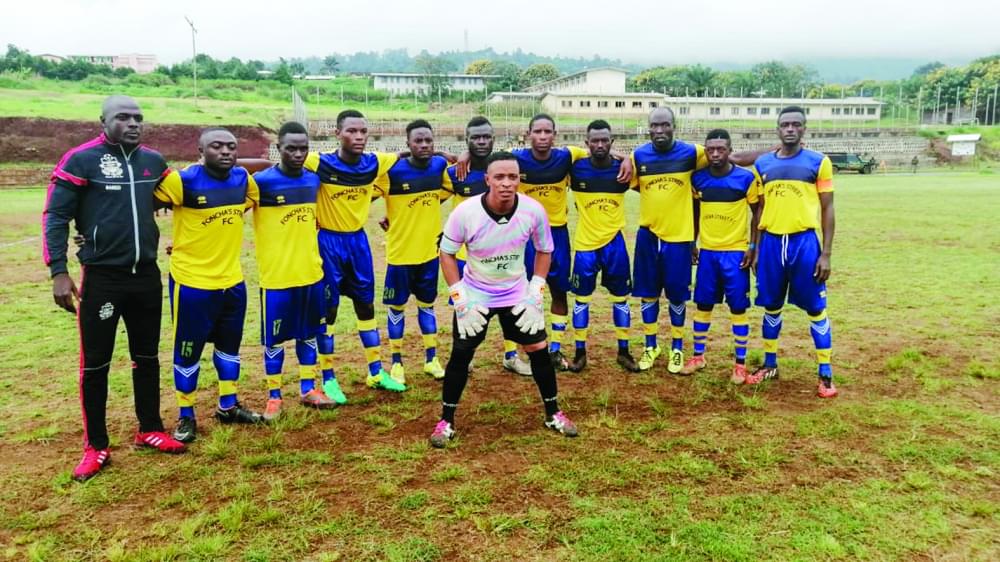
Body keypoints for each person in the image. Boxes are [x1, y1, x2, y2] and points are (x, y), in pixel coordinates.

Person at [42, 94, 186, 481]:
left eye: (139, 117)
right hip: (102, 277)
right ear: (102, 120)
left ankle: (150, 429)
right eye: (123, 117)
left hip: (145, 276)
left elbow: (185, 193)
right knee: (96, 364)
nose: (133, 123)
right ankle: (96, 446)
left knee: (147, 357)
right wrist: (58, 270)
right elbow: (55, 215)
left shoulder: (153, 162)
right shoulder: (81, 160)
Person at [430, 151, 578, 448]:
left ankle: (553, 412)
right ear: (487, 180)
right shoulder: (466, 212)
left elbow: (545, 250)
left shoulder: (533, 211)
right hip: (476, 295)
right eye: (499, 177)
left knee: (538, 348)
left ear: (519, 180)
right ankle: (446, 421)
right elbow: (446, 253)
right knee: (461, 354)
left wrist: (535, 291)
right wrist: (460, 299)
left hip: (516, 293)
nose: (506, 183)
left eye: (512, 177)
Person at [631, 107, 762, 375]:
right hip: (648, 235)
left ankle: (678, 349)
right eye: (654, 126)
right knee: (648, 293)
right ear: (648, 127)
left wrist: (775, 149)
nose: (659, 130)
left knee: (678, 295)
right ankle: (650, 345)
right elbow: (635, 183)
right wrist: (623, 158)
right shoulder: (638, 155)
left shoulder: (693, 153)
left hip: (680, 237)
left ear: (674, 126)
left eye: (665, 125)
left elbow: (731, 157)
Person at [156, 128, 264, 443]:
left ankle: (228, 406)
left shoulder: (243, 180)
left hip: (232, 281)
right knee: (187, 351)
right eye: (216, 146)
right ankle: (186, 415)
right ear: (200, 150)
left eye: (231, 147)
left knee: (229, 348)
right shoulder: (182, 181)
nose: (226, 152)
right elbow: (141, 207)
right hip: (192, 283)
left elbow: (243, 207)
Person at [510, 114, 632, 371]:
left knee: (559, 290)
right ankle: (521, 351)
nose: (543, 137)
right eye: (538, 131)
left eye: (548, 132)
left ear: (555, 134)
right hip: (525, 236)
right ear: (528, 133)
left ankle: (555, 349)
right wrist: (462, 156)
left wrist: (628, 158)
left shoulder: (567, 157)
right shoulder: (516, 158)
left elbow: (602, 149)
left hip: (558, 235)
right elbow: (486, 159)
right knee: (522, 294)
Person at [304, 110, 403, 394]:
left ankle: (375, 372)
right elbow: (287, 159)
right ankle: (329, 378)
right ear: (337, 133)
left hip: (358, 243)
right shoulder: (320, 162)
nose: (358, 136)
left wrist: (460, 158)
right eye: (351, 131)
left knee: (366, 305)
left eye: (362, 131)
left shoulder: (375, 163)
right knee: (329, 310)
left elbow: (409, 156)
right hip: (328, 243)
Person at [748, 106, 838, 398]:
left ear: (804, 129)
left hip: (804, 243)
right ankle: (770, 364)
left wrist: (825, 253)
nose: (790, 129)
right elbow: (760, 208)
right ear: (777, 129)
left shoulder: (818, 162)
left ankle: (825, 374)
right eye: (785, 124)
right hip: (772, 244)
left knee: (815, 308)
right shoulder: (762, 164)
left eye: (796, 124)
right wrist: (757, 247)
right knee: (771, 305)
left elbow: (827, 207)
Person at [251, 122, 336, 420]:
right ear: (279, 148)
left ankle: (308, 388)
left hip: (311, 273)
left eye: (303, 148)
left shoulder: (313, 181)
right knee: (274, 340)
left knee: (309, 334)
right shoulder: (261, 183)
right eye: (291, 148)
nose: (298, 153)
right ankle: (274, 396)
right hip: (276, 277)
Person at [446, 116, 533, 376]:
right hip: (467, 255)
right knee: (462, 308)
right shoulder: (454, 173)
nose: (481, 141)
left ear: (494, 139)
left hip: (504, 253)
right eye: (475, 137)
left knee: (510, 306)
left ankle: (511, 356)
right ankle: (465, 357)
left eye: (486, 136)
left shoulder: (506, 168)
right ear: (467, 140)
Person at [376, 120, 452, 385]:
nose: (423, 145)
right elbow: (367, 194)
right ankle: (396, 362)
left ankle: (431, 359)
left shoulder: (439, 167)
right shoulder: (393, 172)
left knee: (427, 306)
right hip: (400, 256)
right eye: (418, 141)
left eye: (428, 141)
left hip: (429, 254)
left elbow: (450, 189)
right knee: (396, 308)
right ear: (407, 144)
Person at [681, 129, 761, 383]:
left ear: (729, 150)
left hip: (735, 254)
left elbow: (757, 213)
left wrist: (752, 247)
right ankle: (698, 356)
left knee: (738, 307)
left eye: (721, 149)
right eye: (710, 149)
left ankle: (739, 364)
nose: (715, 154)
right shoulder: (698, 179)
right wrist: (693, 241)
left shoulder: (745, 179)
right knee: (703, 304)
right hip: (707, 253)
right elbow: (694, 212)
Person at [566, 120, 639, 373]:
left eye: (604, 140)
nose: (599, 144)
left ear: (612, 142)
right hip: (585, 245)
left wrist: (627, 158)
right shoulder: (575, 169)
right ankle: (580, 353)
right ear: (586, 143)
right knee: (581, 300)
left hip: (615, 244)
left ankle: (624, 351)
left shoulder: (624, 169)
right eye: (594, 140)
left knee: (621, 299)